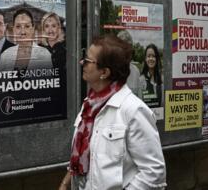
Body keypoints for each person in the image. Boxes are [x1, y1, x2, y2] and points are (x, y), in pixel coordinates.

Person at [58, 35, 166, 190]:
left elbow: (154, 174)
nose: (82, 63)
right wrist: (65, 183)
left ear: (104, 72)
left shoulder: (134, 111)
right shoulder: (89, 105)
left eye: (88, 61)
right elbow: (84, 154)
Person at [117, 30, 141, 96]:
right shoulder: (109, 72)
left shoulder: (135, 71)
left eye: (129, 49)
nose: (126, 53)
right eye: (123, 49)